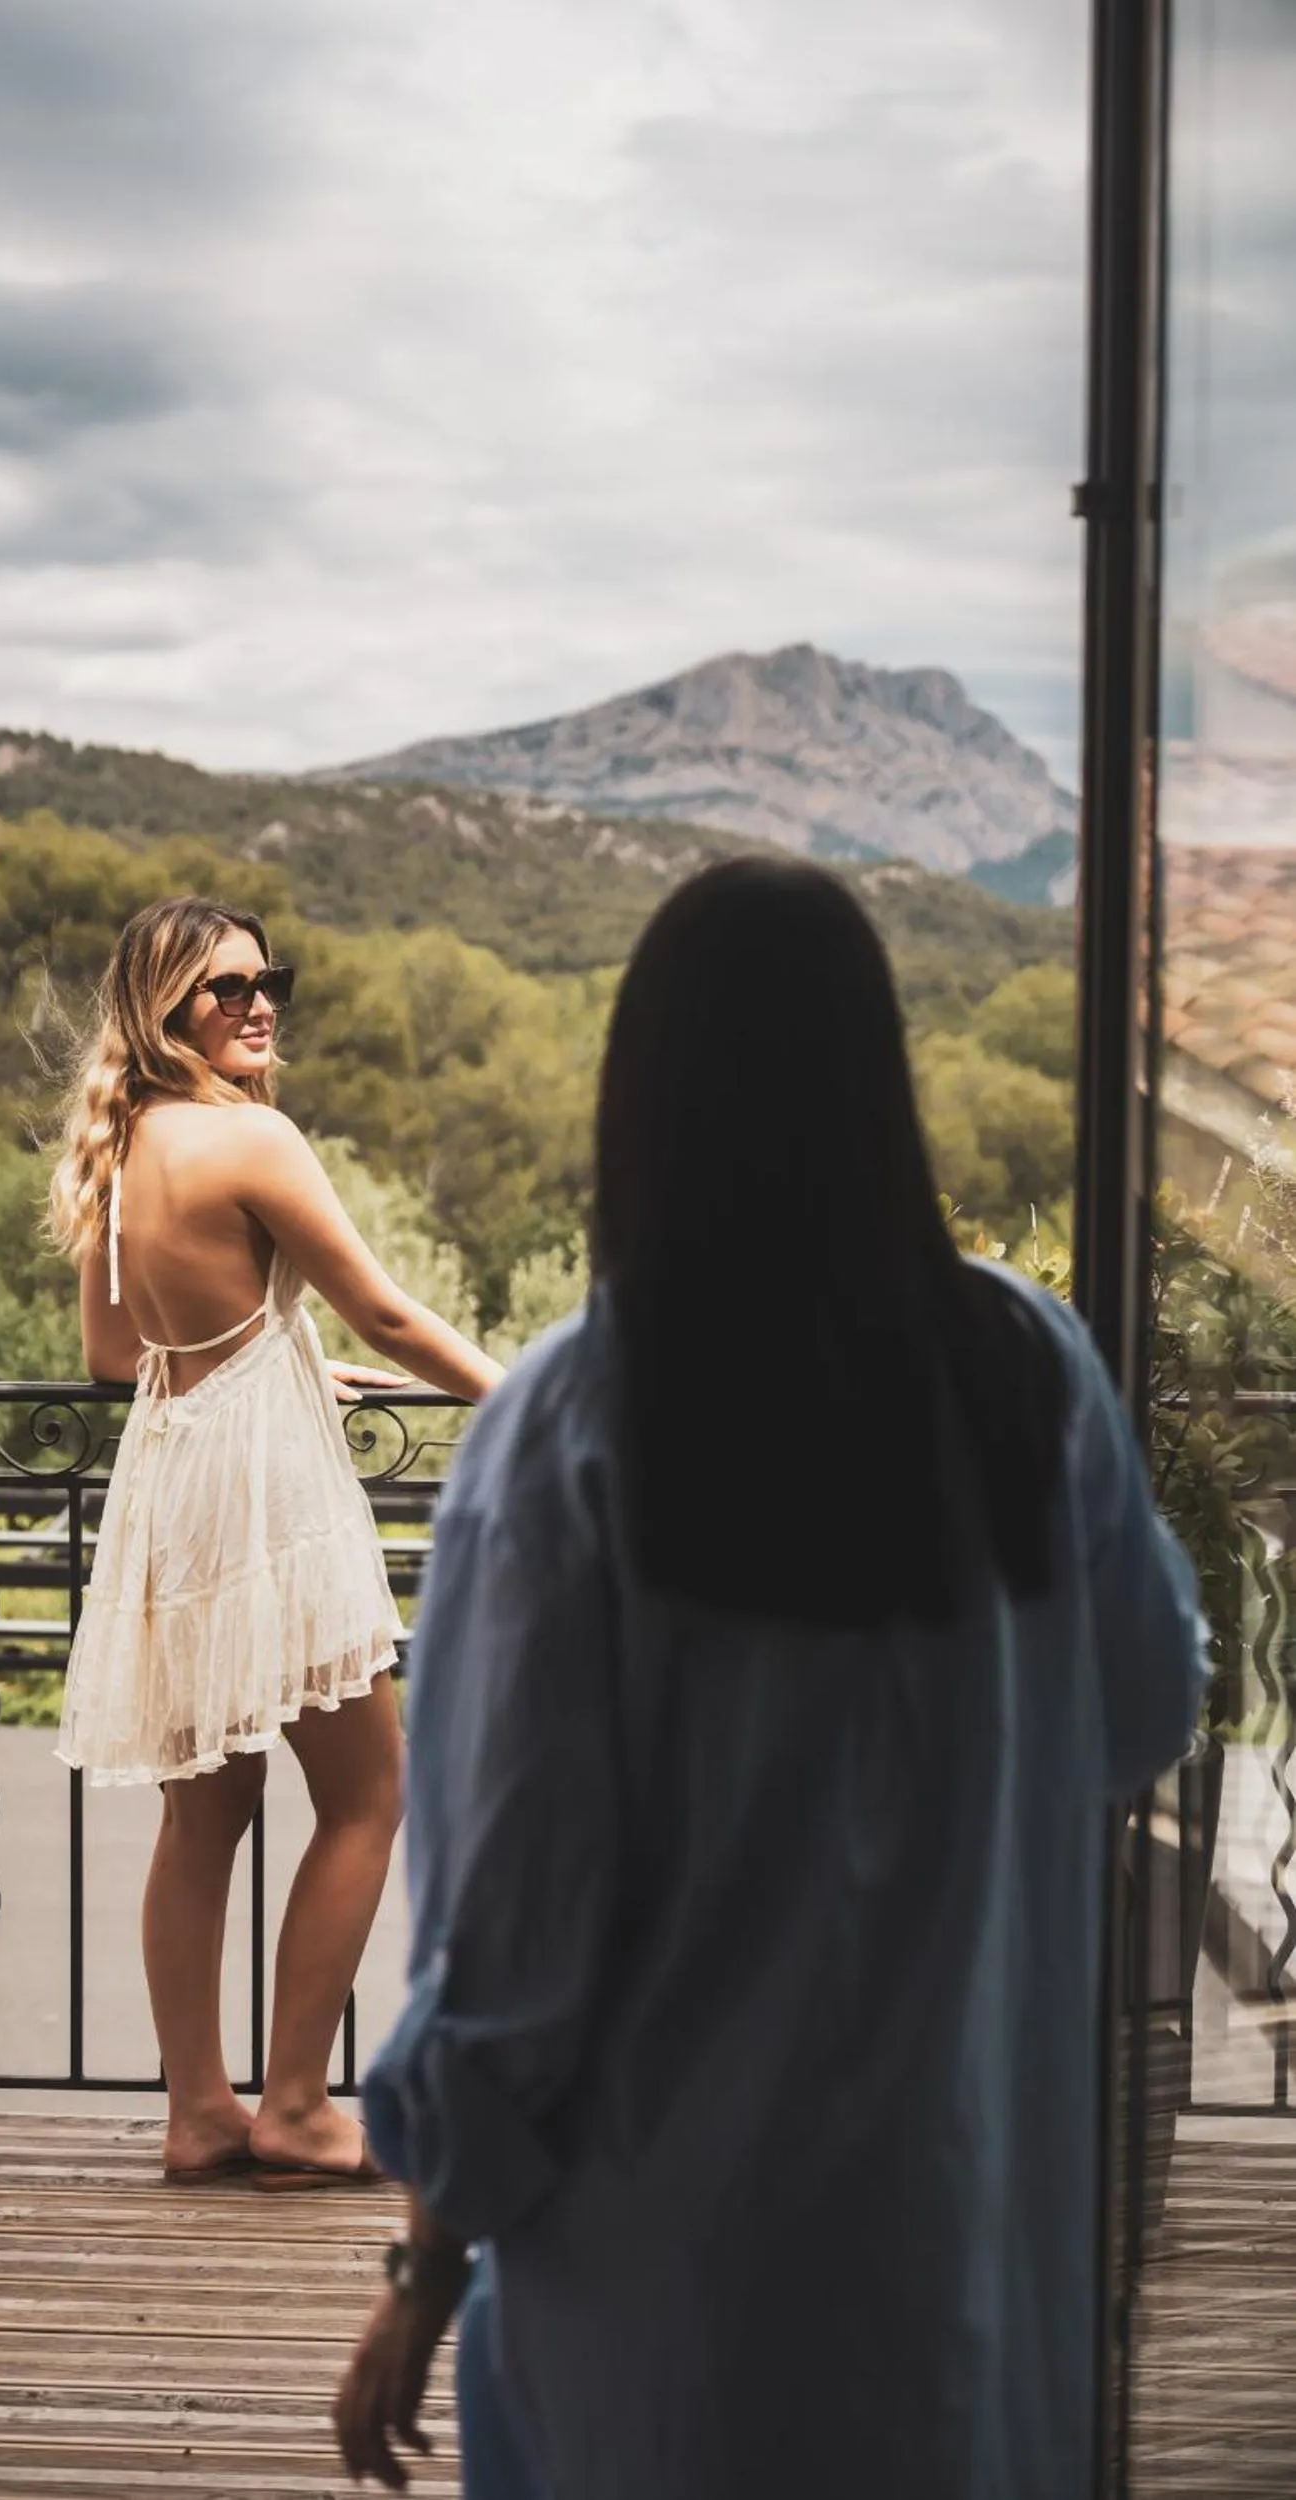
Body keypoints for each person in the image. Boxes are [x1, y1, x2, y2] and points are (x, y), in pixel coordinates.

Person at [332, 855, 1210, 2496]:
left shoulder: (576, 1432)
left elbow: (512, 1941)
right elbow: (1147, 1701)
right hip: (961, 2288)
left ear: (638, 1103)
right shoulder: (1026, 1380)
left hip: (669, 2329)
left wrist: (425, 2269)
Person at [45, 894, 503, 2186]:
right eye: (222, 989)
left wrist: (278, 1352)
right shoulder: (254, 1140)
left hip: (175, 1479)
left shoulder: (123, 1140)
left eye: (268, 982)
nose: (257, 1006)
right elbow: (392, 1313)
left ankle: (201, 2114)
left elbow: (111, 1353)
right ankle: (296, 2106)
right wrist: (534, 1404)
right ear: (164, 1010)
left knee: (209, 1819)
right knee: (368, 1793)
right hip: (265, 1494)